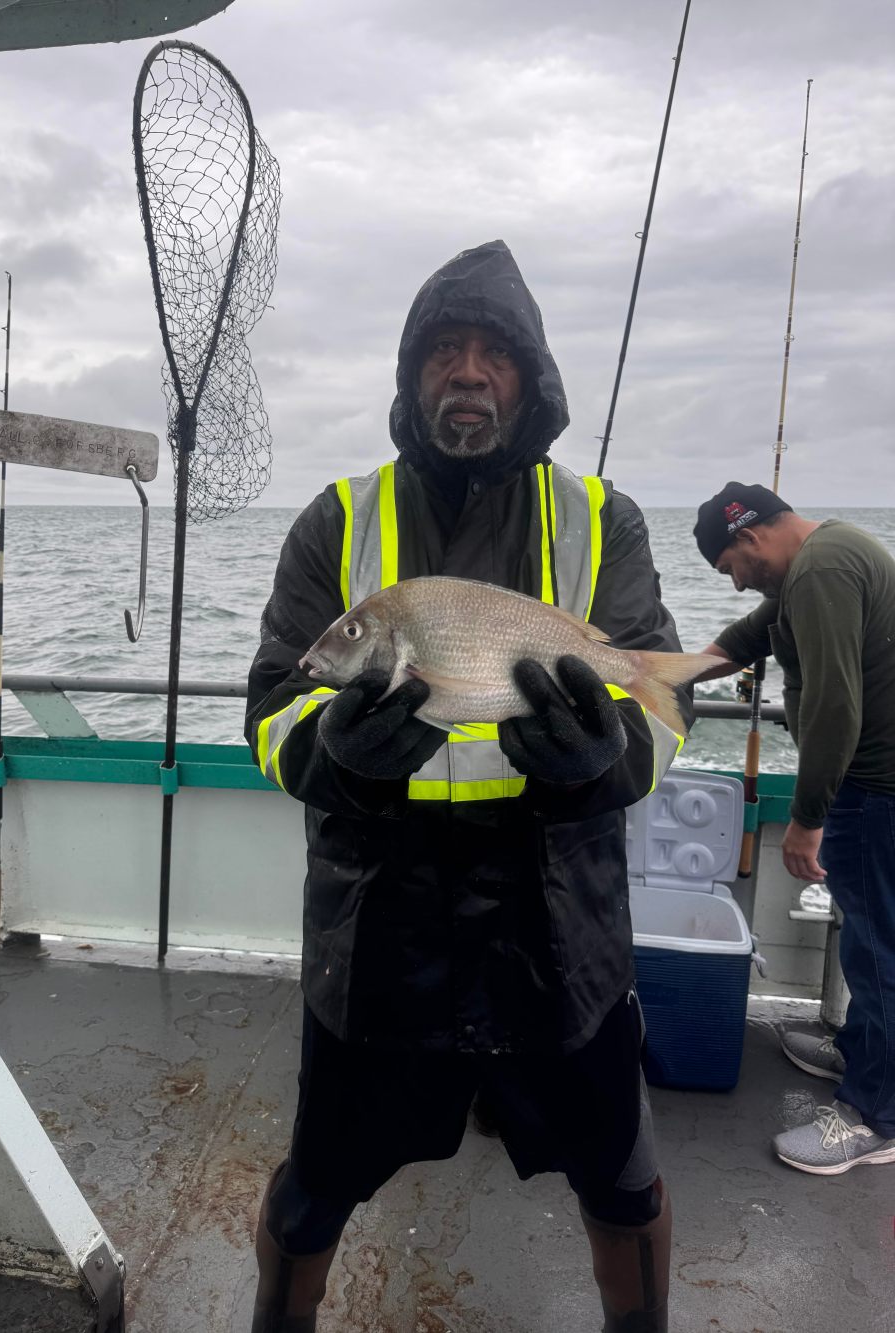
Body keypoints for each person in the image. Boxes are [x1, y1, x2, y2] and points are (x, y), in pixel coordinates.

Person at [245, 239, 691, 1332]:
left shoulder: (602, 518)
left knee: (622, 1183)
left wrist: (607, 757)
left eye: (495, 354)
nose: (469, 373)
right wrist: (331, 755)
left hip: (558, 918)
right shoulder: (335, 520)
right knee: (316, 1190)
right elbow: (269, 702)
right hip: (379, 921)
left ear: (532, 381)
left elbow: (653, 713)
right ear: (411, 378)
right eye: (445, 349)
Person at [693, 482, 895, 1175]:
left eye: (730, 569)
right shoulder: (821, 557)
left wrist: (806, 820)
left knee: (880, 953)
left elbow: (837, 706)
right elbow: (748, 638)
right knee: (874, 942)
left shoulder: (823, 570)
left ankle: (877, 1115)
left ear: (749, 539)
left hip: (876, 792)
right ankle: (863, 1050)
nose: (738, 584)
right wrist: (660, 675)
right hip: (872, 788)